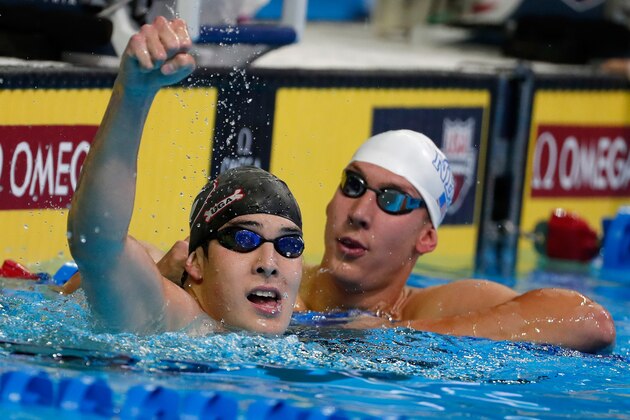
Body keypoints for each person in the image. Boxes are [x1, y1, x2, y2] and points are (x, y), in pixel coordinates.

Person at [67, 17, 304, 335]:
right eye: (243, 239)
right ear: (196, 263)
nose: (270, 262)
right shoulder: (171, 320)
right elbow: (97, 243)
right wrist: (133, 94)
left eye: (289, 245)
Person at [294, 129, 615, 354]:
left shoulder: (430, 308)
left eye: (392, 200)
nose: (359, 213)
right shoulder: (280, 283)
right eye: (354, 184)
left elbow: (589, 321)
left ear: (426, 238)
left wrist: (398, 336)